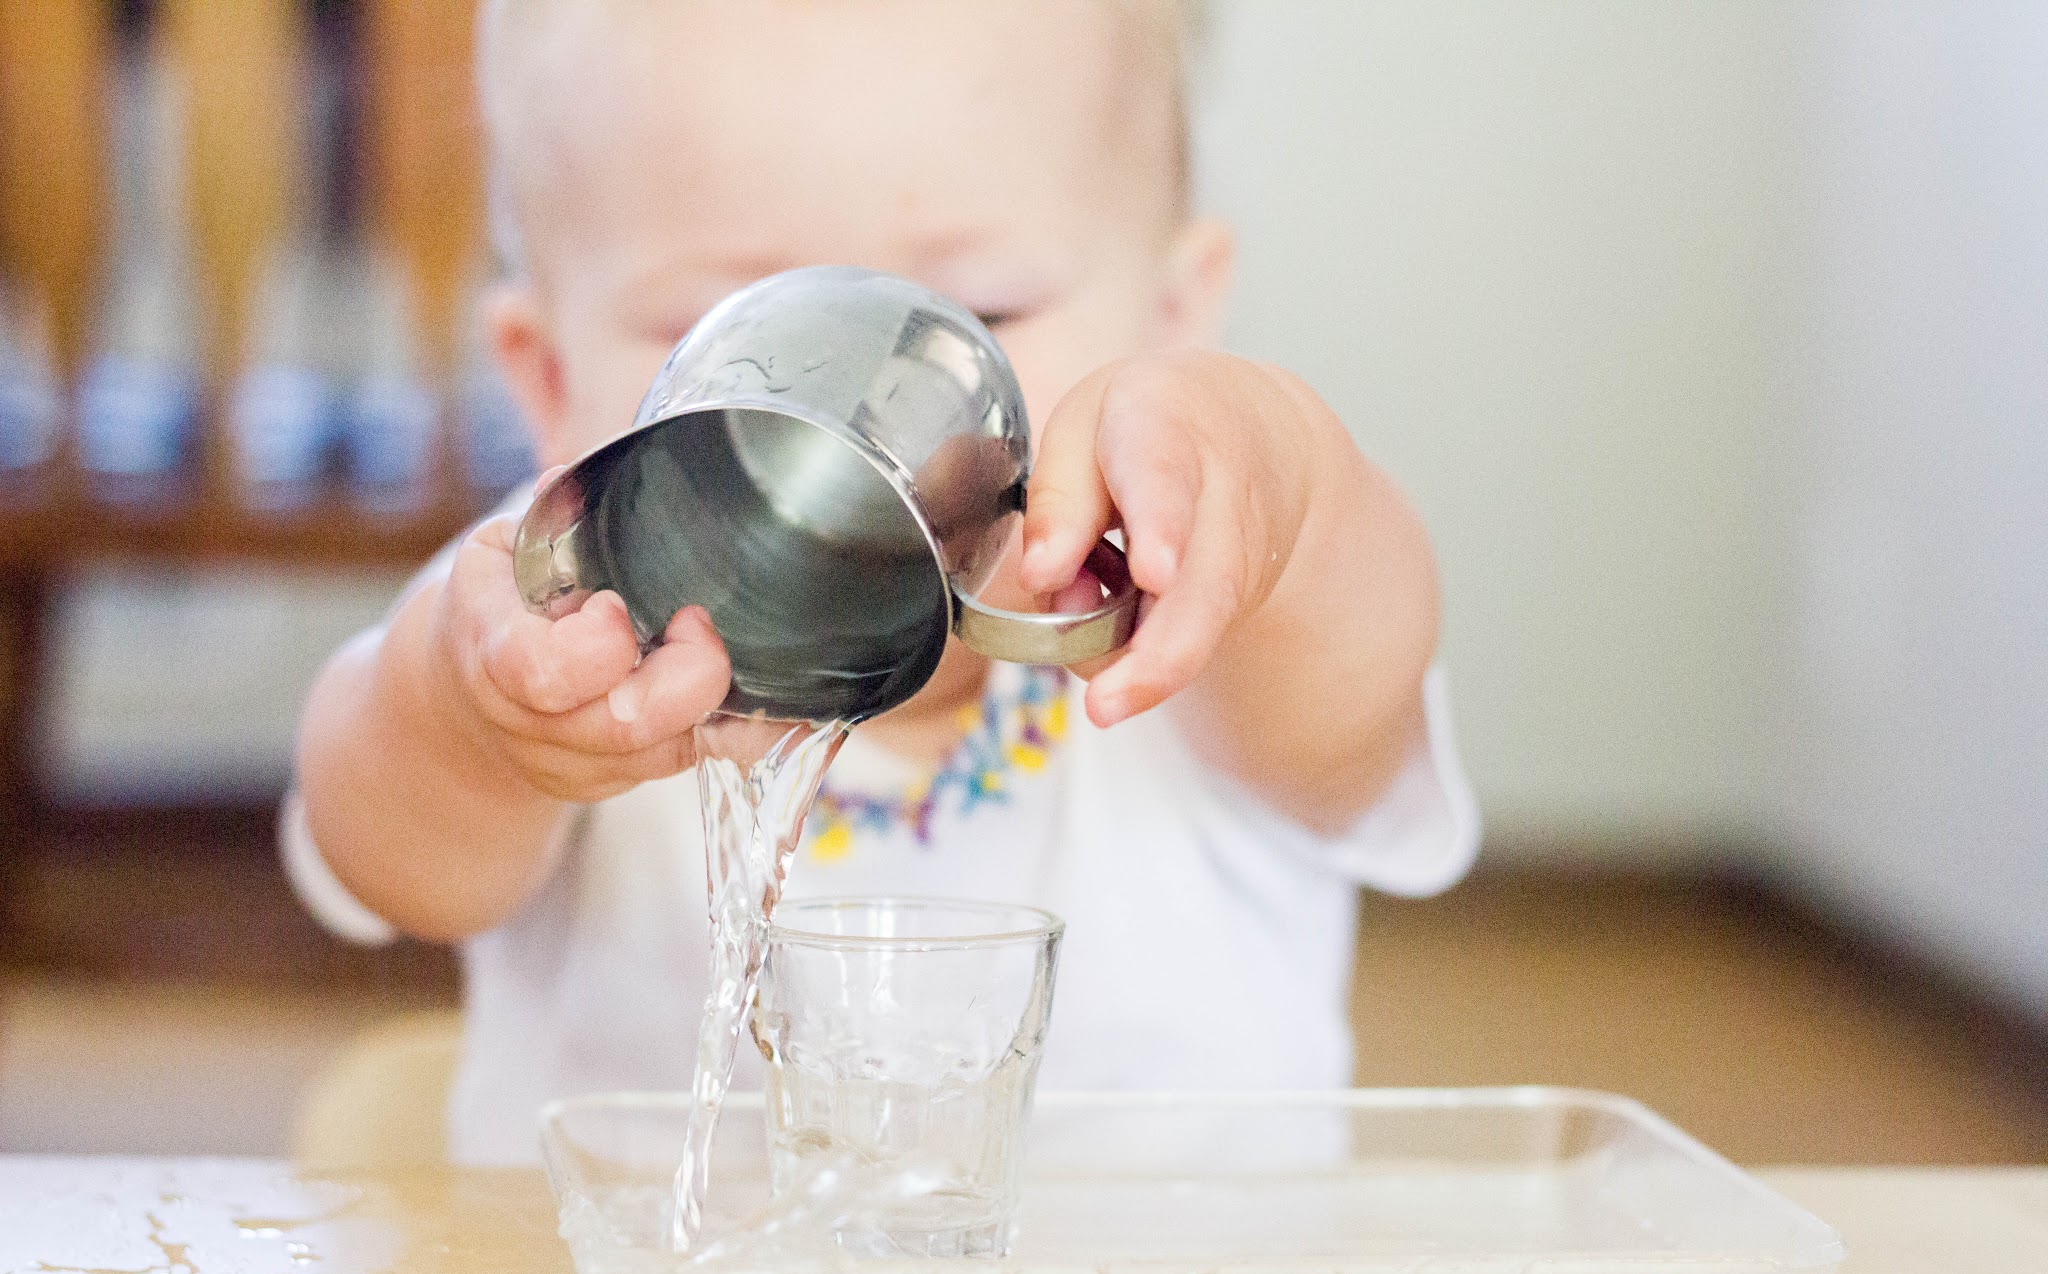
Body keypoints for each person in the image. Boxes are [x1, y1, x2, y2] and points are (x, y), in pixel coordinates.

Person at [287, 0, 1479, 1164]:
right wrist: (465, 721)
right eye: (726, 326)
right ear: (546, 379)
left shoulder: (1211, 616)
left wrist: (1281, 485)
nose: (843, 421)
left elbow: (1359, 664)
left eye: (979, 310)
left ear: (1172, 320)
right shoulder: (559, 594)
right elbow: (373, 844)